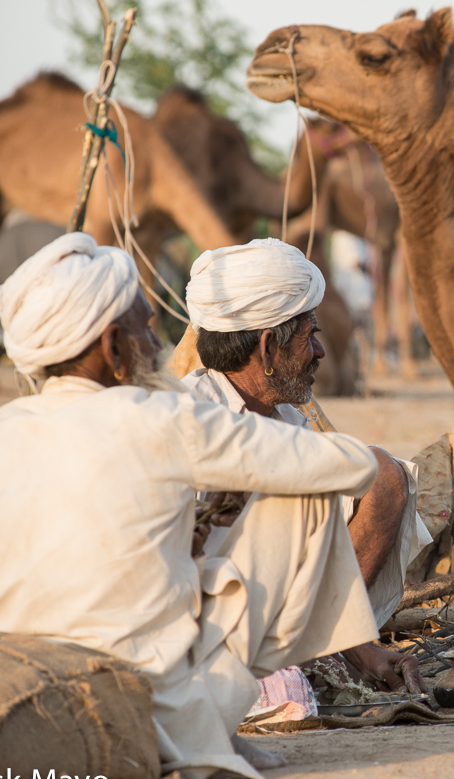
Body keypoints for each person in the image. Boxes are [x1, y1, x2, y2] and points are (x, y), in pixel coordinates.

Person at [0, 233, 387, 779]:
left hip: (22, 696)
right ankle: (216, 729)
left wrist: (190, 524)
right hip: (148, 716)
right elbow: (354, 466)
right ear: (112, 347)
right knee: (306, 490)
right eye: (146, 329)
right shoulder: (163, 417)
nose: (160, 349)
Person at [180, 239, 432, 712]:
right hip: (197, 629)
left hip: (262, 621)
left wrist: (361, 648)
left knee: (383, 476)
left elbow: (307, 562)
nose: (319, 351)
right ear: (268, 346)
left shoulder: (286, 420)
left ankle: (328, 650)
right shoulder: (188, 424)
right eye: (309, 335)